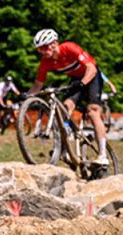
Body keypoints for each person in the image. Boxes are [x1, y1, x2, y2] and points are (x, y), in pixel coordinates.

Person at [26, 28, 110, 165]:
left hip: (92, 76)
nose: (42, 52)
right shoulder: (46, 61)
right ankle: (66, 146)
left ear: (54, 44)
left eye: (44, 47)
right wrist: (27, 96)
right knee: (65, 108)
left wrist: (83, 83)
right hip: (76, 80)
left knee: (93, 111)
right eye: (39, 49)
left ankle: (103, 155)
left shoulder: (69, 48)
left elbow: (91, 68)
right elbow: (38, 84)